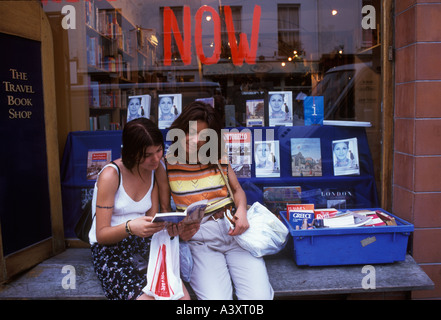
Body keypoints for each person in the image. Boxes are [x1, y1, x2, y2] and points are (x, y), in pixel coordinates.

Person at [156, 101, 274, 300]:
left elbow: (237, 190)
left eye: (203, 136)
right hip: (201, 240)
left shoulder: (217, 156)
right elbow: (167, 210)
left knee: (258, 299)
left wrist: (242, 212)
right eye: (190, 133)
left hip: (235, 233)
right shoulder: (166, 165)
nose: (195, 140)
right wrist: (177, 230)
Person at [88, 118, 190, 300]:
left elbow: (152, 220)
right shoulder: (111, 175)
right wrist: (130, 227)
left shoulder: (155, 170)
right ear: (132, 153)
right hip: (110, 249)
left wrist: (171, 225)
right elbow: (101, 235)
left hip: (143, 243)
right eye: (148, 155)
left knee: (179, 296)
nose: (156, 158)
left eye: (159, 150)